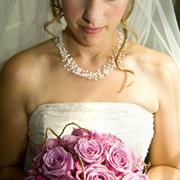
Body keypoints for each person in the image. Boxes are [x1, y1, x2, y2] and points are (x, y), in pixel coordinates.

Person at [0, 0, 179, 179]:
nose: (92, 16)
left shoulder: (161, 71)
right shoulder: (21, 72)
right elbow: (6, 168)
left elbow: (169, 166)